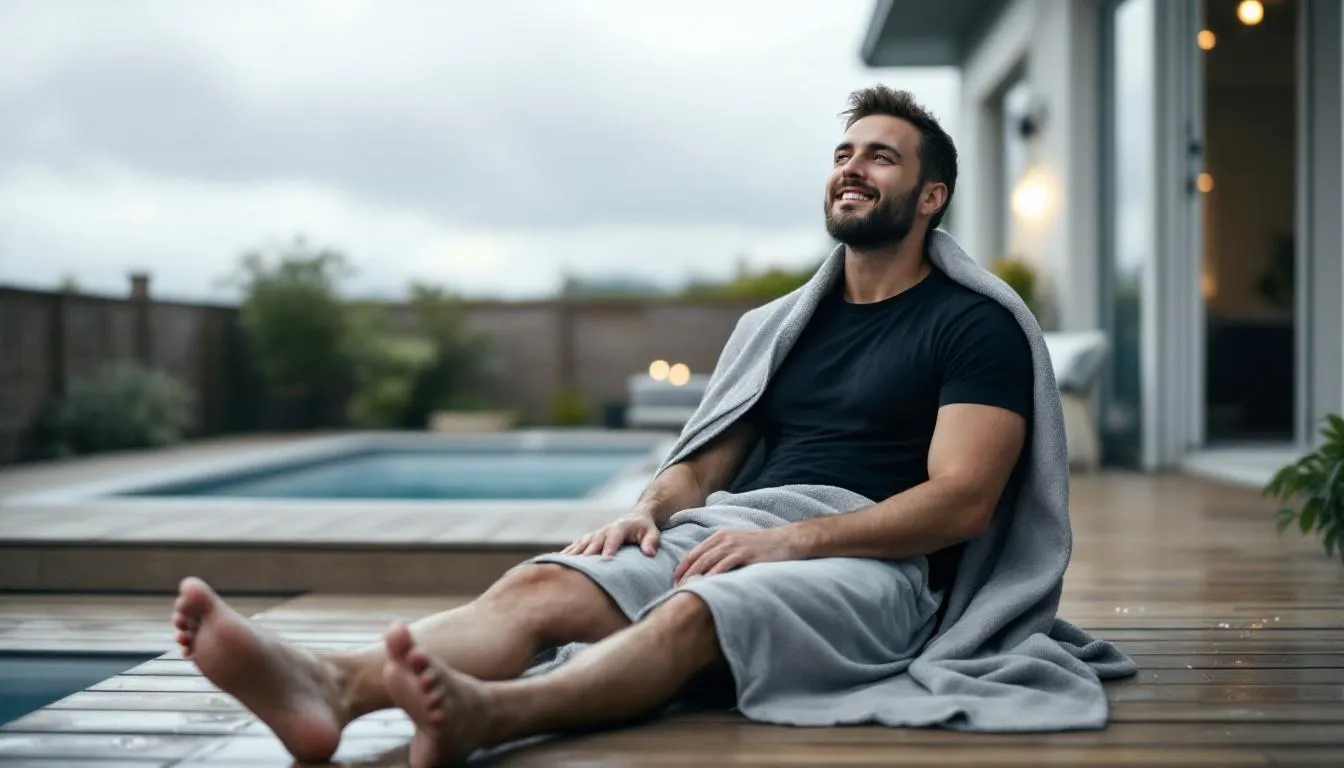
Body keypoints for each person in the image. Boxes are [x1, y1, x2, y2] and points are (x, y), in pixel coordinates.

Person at [170, 85, 1034, 767]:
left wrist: (798, 543)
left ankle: (490, 715)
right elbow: (702, 464)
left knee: (701, 608)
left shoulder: (971, 326)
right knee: (541, 587)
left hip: (876, 566)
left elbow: (962, 503)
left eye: (879, 158)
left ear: (931, 196)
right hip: (740, 530)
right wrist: (651, 511)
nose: (851, 168)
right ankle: (330, 686)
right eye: (843, 153)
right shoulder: (782, 327)